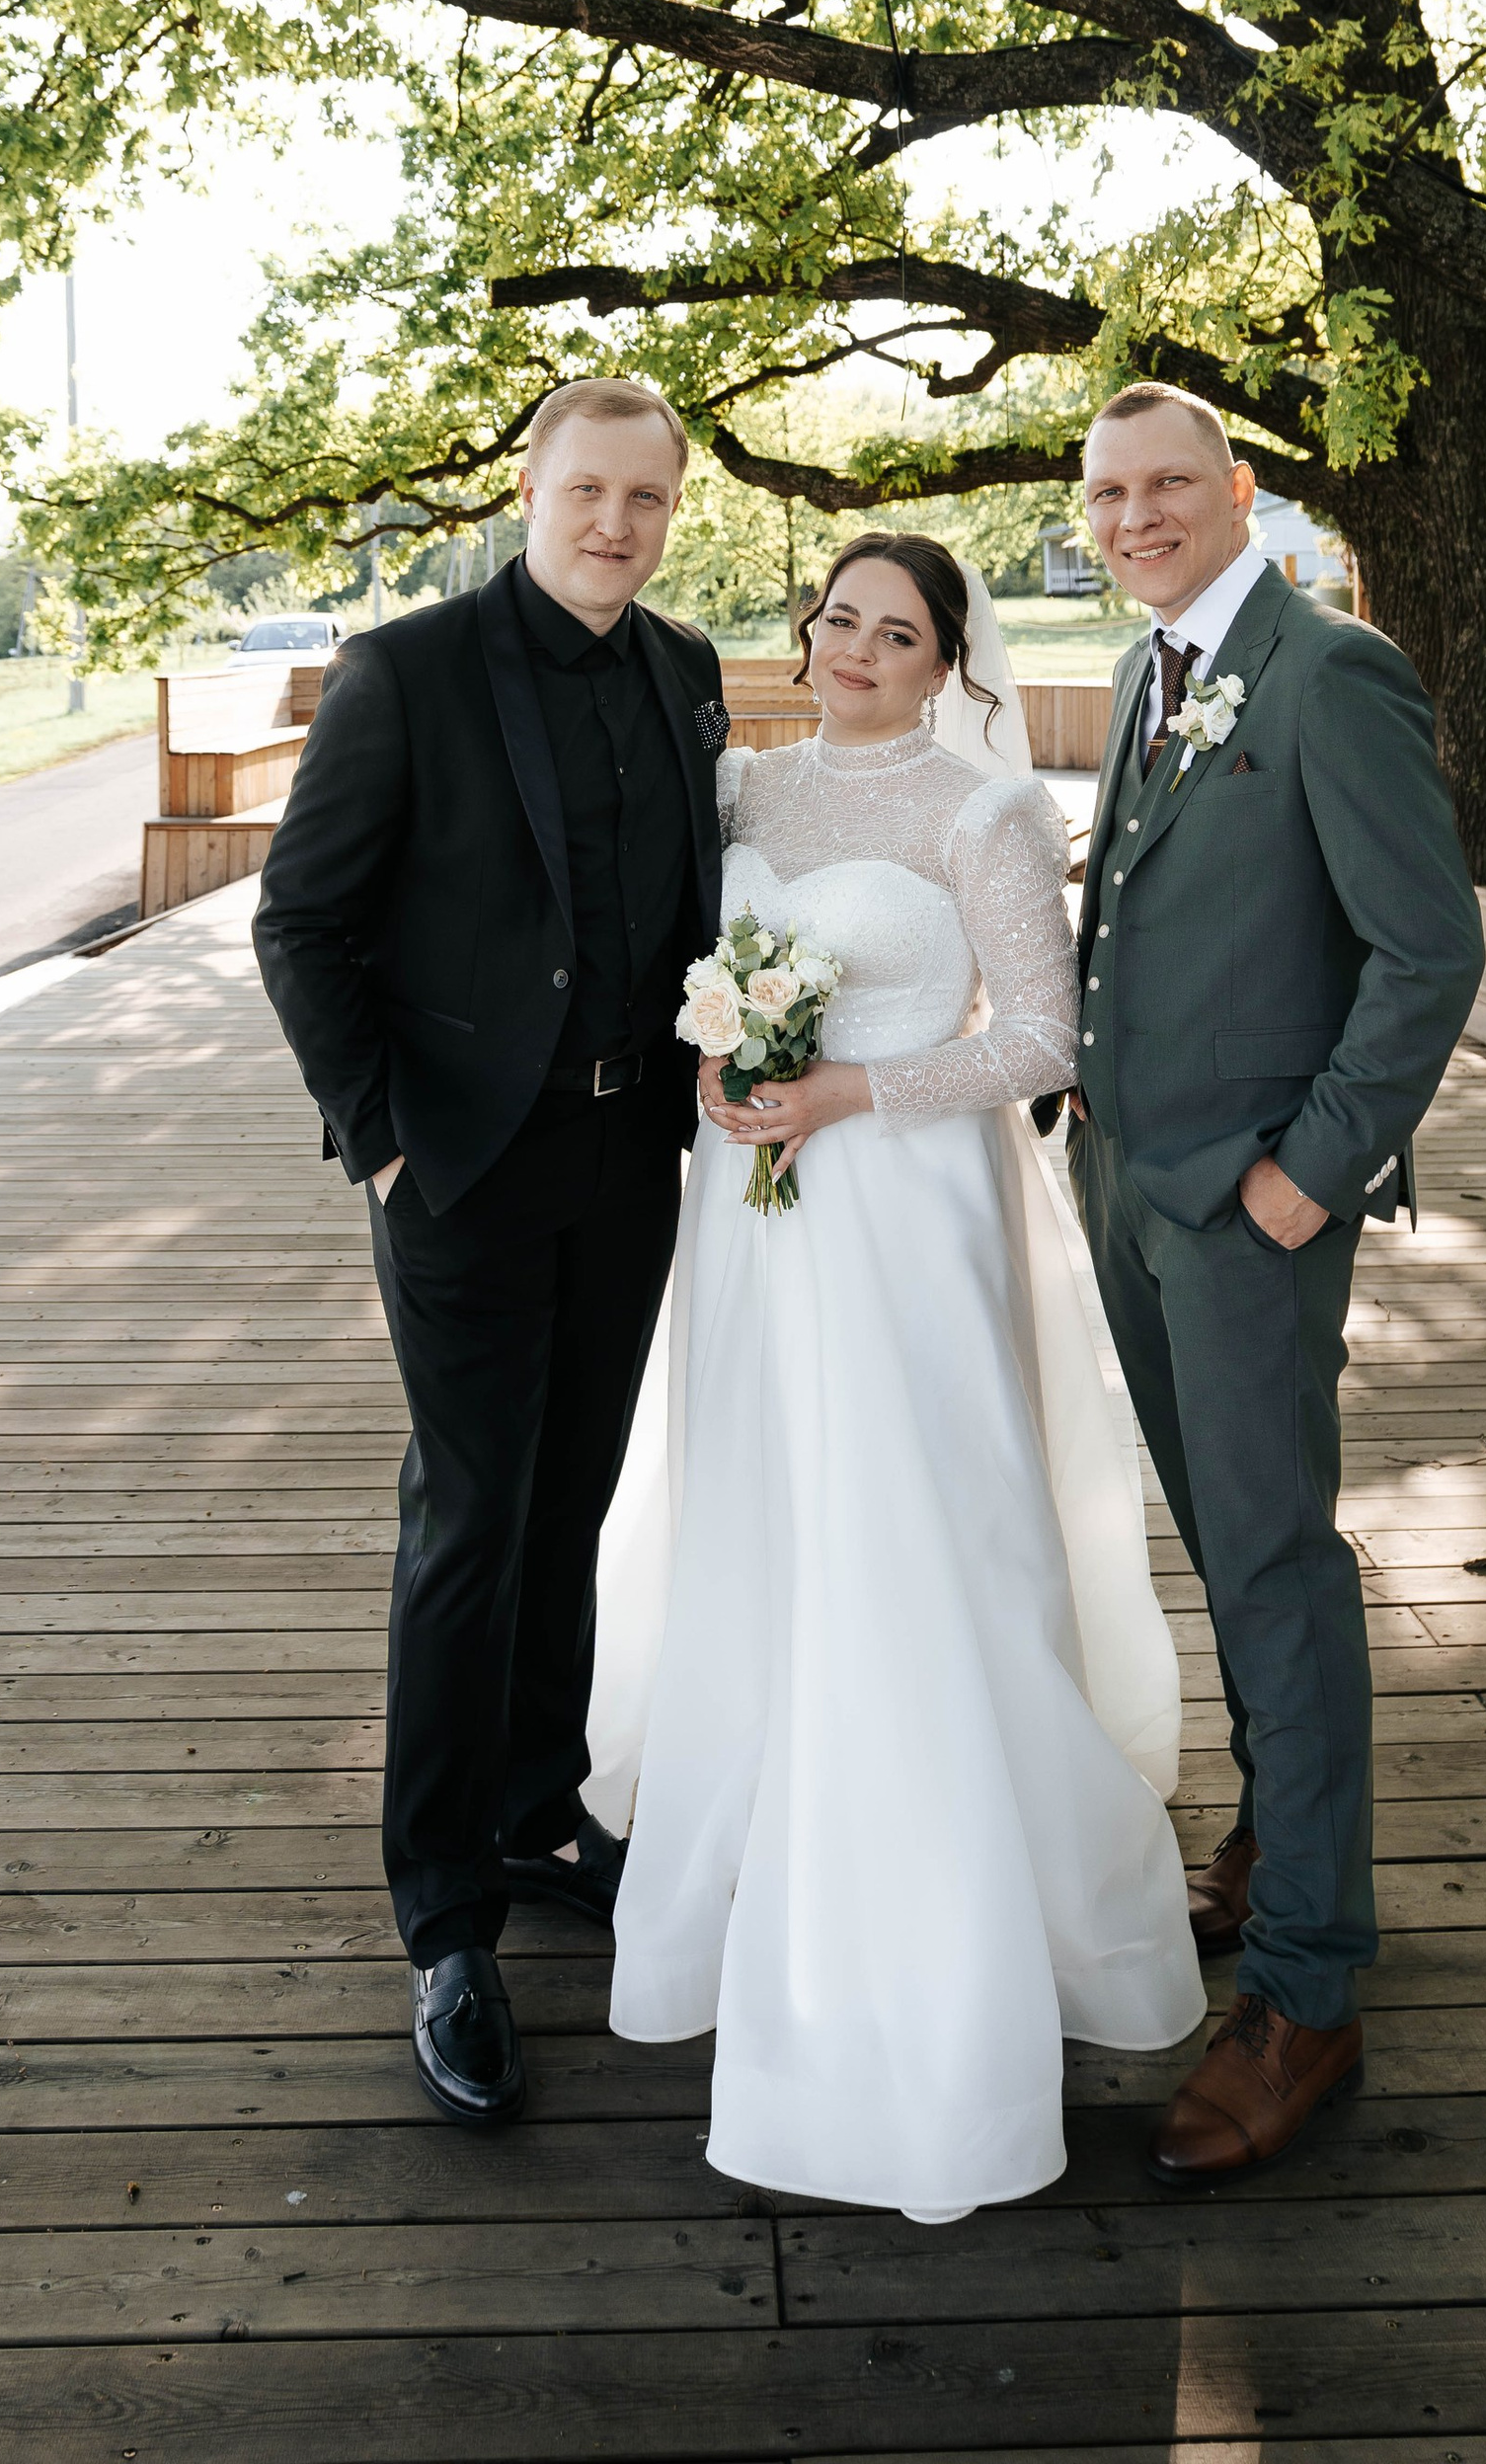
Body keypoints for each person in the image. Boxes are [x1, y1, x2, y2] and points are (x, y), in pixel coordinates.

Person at [588, 533, 1203, 2221]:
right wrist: (729, 1071)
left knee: (917, 1534)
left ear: (951, 663)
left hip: (907, 1208)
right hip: (753, 1221)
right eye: (838, 618)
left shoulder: (981, 814)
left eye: (898, 630)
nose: (854, 646)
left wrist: (846, 1098)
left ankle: (945, 1913)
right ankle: (755, 1851)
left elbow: (1044, 1040)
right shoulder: (743, 796)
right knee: (766, 1516)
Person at [251, 378, 729, 2129]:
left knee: (576, 1498)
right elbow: (300, 918)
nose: (617, 524)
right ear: (531, 490)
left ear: (677, 510)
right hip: (455, 1166)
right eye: (589, 491)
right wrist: (378, 1135)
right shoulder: (409, 671)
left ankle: (538, 1806)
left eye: (648, 499)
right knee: (468, 1518)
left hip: (628, 1156)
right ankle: (445, 1915)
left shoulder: (683, 676)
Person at [1058, 382, 1483, 2186]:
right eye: (1108, 493)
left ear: (1241, 493)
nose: (1138, 514)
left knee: (1281, 1563)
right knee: (1224, 1542)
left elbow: (1426, 950)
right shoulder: (1160, 670)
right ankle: (1271, 1839)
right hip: (1129, 1190)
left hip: (1250, 1213)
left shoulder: (1328, 670)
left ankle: (1309, 1984)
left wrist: (1311, 1177)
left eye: (1171, 485)